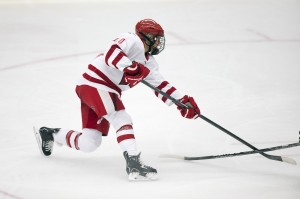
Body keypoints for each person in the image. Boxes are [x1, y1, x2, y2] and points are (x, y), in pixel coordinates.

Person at [34, 19, 200, 181]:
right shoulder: (132, 40)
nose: (158, 44)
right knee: (121, 118)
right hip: (95, 83)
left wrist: (182, 103)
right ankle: (134, 164)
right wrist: (129, 66)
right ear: (147, 36)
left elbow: (161, 85)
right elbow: (111, 51)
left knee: (90, 143)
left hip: (97, 89)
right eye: (156, 39)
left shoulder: (150, 63)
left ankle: (50, 134)